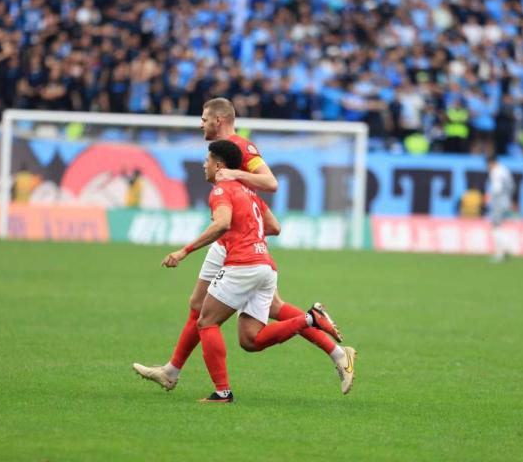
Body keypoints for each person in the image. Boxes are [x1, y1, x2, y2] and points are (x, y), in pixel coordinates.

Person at [134, 98, 357, 394]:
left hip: (237, 244)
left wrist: (235, 178)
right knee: (201, 306)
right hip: (233, 240)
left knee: (230, 314)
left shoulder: (242, 146)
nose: (200, 124)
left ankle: (335, 351)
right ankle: (171, 371)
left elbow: (271, 182)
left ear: (218, 120)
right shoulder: (220, 154)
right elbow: (270, 222)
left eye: (204, 119)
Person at [486, 155, 515, 262]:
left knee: (495, 226)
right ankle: (504, 249)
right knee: (498, 226)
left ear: (491, 163)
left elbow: (496, 188)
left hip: (498, 201)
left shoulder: (496, 172)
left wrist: (489, 199)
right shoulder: (505, 170)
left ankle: (504, 249)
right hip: (506, 201)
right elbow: (512, 186)